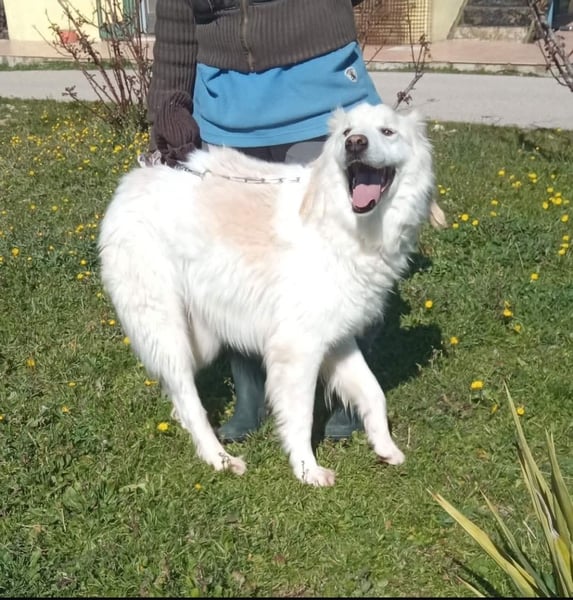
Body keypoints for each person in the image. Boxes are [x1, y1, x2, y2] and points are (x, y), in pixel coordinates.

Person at [146, 0, 433, 443]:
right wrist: (169, 105)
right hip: (225, 109)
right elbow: (176, 18)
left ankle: (347, 394)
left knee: (347, 254)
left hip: (321, 97)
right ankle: (251, 393)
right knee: (236, 261)